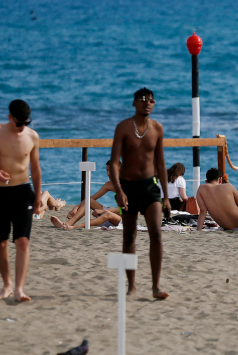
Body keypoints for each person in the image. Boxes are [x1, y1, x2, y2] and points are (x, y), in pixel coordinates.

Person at [0, 99, 42, 302]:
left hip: (23, 192)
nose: (23, 126)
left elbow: (36, 169)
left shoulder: (32, 136)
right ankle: (7, 285)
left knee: (22, 241)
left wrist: (38, 196)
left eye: (26, 123)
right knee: (0, 243)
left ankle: (20, 289)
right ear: (9, 117)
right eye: (19, 122)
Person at [109, 87, 171, 299]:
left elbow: (161, 163)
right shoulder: (123, 128)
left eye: (152, 100)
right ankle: (131, 285)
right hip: (127, 187)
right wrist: (118, 190)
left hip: (150, 187)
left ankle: (155, 286)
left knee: (156, 233)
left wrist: (166, 197)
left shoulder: (157, 128)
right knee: (129, 236)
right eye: (143, 100)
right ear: (134, 103)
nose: (148, 103)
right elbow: (114, 163)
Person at [52, 160, 120, 229]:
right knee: (89, 201)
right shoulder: (109, 184)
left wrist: (103, 211)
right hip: (117, 215)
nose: (108, 173)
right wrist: (76, 207)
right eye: (107, 170)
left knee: (108, 214)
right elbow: (92, 198)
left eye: (110, 170)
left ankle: (74, 227)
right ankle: (67, 224)